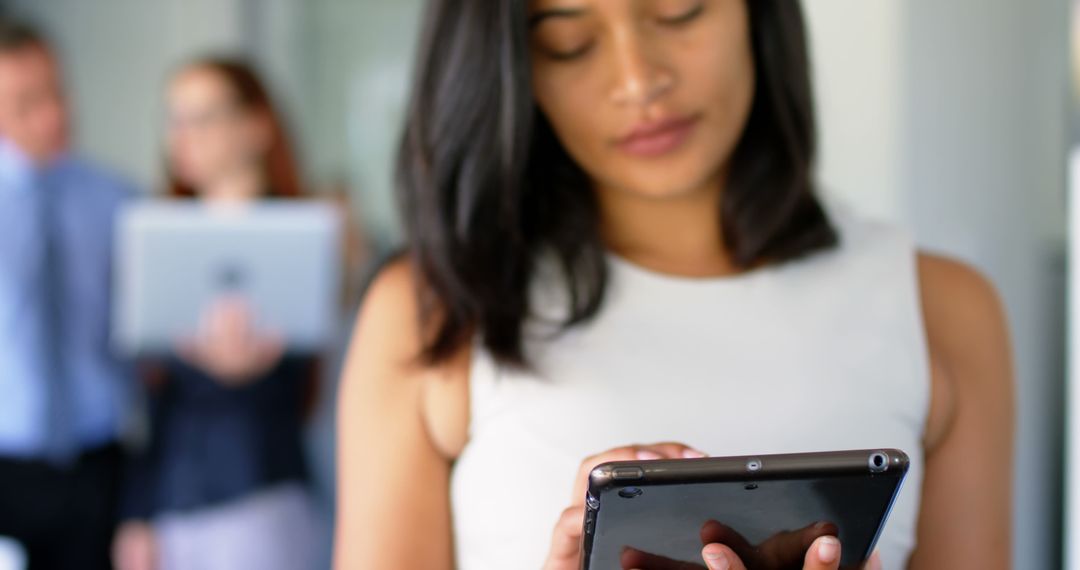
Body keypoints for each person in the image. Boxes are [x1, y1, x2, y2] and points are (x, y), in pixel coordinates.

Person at [334, 0, 1015, 569]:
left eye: (677, 8)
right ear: (514, 67)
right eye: (568, 44)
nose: (638, 79)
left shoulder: (944, 308)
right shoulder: (427, 312)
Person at [112, 57, 320, 570]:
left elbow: (311, 387)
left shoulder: (305, 239)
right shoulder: (160, 241)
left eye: (202, 117)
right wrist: (138, 514)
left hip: (259, 499)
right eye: (174, 119)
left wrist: (246, 372)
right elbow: (154, 403)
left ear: (256, 126)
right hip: (176, 512)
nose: (182, 135)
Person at [0, 18, 136, 570]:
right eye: (27, 101)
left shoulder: (118, 200)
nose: (53, 114)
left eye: (57, 92)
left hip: (97, 462)